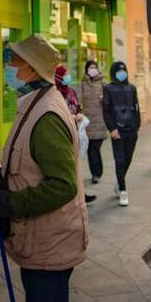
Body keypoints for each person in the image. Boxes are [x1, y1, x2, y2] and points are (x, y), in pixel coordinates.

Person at [0, 34, 88, 302]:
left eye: (14, 61)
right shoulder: (34, 105)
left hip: (50, 246)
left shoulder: (46, 116)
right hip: (42, 242)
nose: (8, 67)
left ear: (32, 69)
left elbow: (63, 185)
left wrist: (10, 203)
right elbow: (28, 159)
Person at [55, 65, 95, 204]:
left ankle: (80, 193)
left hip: (74, 132)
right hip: (62, 133)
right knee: (67, 166)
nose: (68, 76)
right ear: (58, 77)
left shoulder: (71, 91)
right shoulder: (55, 94)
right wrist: (72, 118)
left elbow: (77, 106)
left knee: (75, 164)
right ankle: (74, 194)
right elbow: (57, 114)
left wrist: (79, 114)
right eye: (65, 74)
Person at [102, 61, 141, 207]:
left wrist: (137, 126)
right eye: (119, 71)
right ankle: (123, 191)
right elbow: (106, 110)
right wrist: (112, 128)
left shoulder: (132, 88)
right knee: (120, 160)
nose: (122, 73)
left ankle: (119, 182)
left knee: (128, 159)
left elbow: (136, 107)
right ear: (114, 72)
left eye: (124, 70)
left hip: (131, 130)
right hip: (117, 131)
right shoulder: (108, 88)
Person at [77, 59, 108, 185]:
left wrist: (104, 99)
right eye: (90, 67)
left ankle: (97, 172)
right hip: (88, 122)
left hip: (100, 121)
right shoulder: (83, 84)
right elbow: (77, 101)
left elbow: (110, 99)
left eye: (94, 67)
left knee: (95, 147)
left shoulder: (103, 82)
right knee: (91, 149)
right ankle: (96, 173)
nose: (93, 70)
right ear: (86, 70)